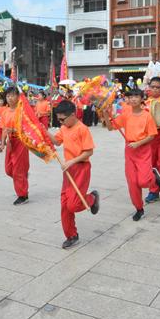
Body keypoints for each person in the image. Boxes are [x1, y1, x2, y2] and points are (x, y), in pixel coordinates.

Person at [49, 100, 100, 249]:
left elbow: (89, 152)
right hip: (68, 170)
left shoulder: (82, 129)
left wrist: (71, 162)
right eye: (58, 119)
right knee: (65, 204)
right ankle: (71, 235)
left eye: (62, 119)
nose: (60, 122)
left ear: (73, 115)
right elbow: (57, 142)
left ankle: (92, 198)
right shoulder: (65, 128)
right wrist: (42, 130)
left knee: (73, 204)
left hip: (81, 168)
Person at [105, 88, 158, 221]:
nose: (133, 99)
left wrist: (138, 143)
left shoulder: (147, 116)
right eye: (131, 96)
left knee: (144, 181)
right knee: (132, 182)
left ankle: (154, 177)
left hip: (143, 150)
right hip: (130, 151)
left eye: (136, 96)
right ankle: (139, 208)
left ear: (141, 99)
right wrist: (106, 114)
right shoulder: (126, 114)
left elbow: (152, 135)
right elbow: (111, 127)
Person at [0, 87, 30, 205]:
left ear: (18, 97)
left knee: (18, 170)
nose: (10, 98)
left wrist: (15, 130)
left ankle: (23, 195)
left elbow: (29, 128)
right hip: (11, 143)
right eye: (8, 96)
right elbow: (4, 130)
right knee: (8, 170)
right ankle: (22, 179)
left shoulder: (23, 110)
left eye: (12, 95)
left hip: (21, 141)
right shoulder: (5, 111)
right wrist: (2, 144)